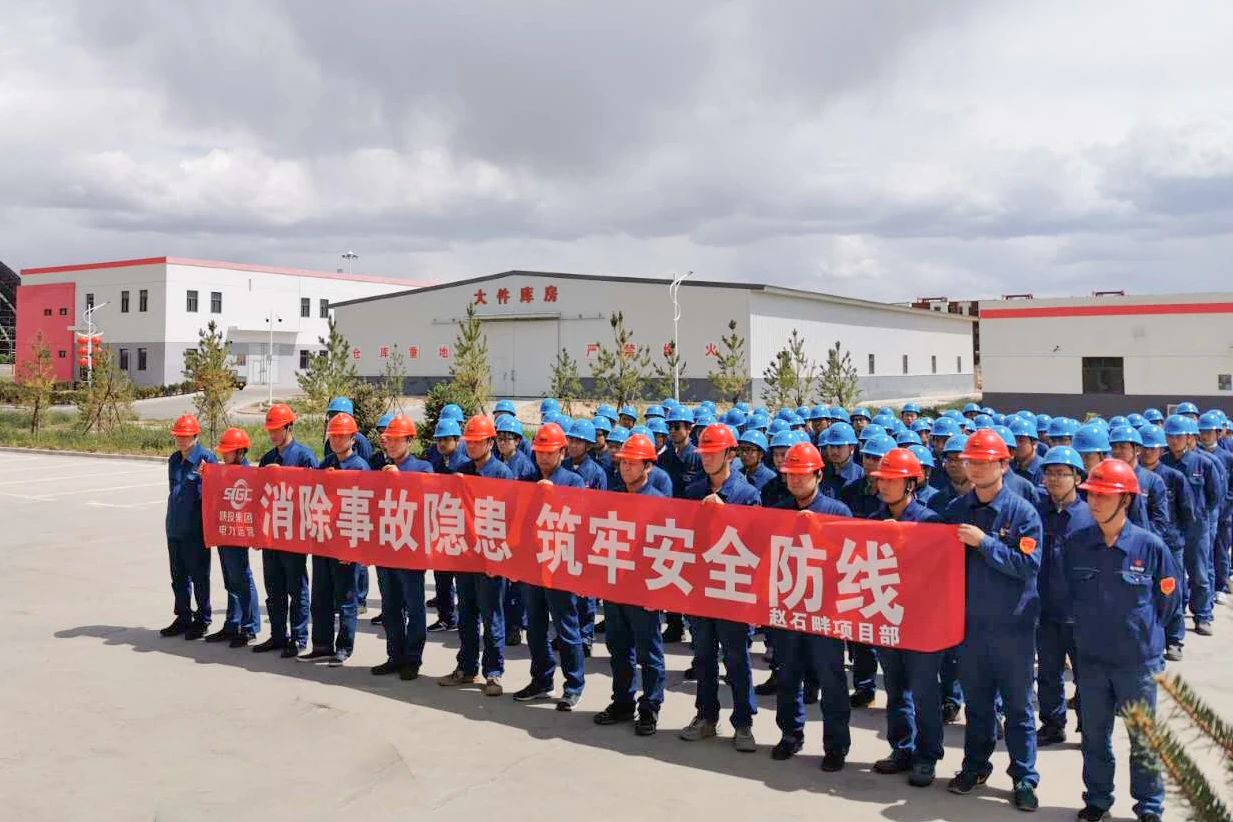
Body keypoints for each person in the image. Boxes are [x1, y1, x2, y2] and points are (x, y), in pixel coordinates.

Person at [1066, 459, 1179, 822]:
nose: (1095, 502)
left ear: (1126, 500)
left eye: (1104, 495)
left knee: (1142, 739)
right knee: (1094, 737)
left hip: (1137, 662)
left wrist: (1142, 635)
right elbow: (1069, 594)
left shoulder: (1150, 547)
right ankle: (1098, 800)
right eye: (1092, 494)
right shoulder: (1077, 544)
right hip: (1092, 661)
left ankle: (1149, 806)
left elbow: (1168, 602)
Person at [942, 429, 1043, 811]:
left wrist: (985, 543)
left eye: (986, 462)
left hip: (1013, 628)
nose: (978, 468)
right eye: (972, 462)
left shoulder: (1023, 512)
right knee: (978, 705)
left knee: (1018, 707)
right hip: (971, 626)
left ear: (1004, 465)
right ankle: (975, 766)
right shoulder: (957, 510)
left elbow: (1028, 565)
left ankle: (1024, 777)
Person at [767, 442, 853, 769]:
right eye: (791, 474)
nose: (795, 480)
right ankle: (790, 734)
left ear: (818, 475)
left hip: (825, 610)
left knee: (831, 678)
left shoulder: (837, 512)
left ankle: (836, 745)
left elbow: (849, 559)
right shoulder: (778, 511)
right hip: (789, 606)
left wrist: (818, 530)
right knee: (788, 674)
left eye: (802, 475)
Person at [679, 424, 761, 753]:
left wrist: (726, 515)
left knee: (737, 658)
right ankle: (706, 716)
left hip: (732, 587)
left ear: (730, 454)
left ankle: (743, 722)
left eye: (714, 453)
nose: (708, 458)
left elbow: (755, 541)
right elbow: (683, 537)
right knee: (703, 656)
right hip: (701, 586)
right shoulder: (692, 491)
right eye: (704, 453)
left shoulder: (747, 494)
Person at [867, 448, 945, 787]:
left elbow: (937, 572)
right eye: (881, 480)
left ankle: (927, 756)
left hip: (922, 622)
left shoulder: (930, 521)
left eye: (892, 480)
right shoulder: (874, 519)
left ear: (911, 484)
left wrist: (903, 538)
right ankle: (901, 748)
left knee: (924, 691)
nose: (884, 486)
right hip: (887, 615)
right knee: (895, 688)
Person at [593, 434, 667, 737]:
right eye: (623, 462)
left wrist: (658, 591)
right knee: (619, 648)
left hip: (644, 590)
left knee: (649, 652)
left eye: (632, 463)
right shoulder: (613, 497)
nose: (625, 468)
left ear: (648, 466)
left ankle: (650, 706)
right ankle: (622, 701)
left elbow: (666, 550)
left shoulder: (659, 503)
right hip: (615, 586)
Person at [511, 423, 588, 711]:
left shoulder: (573, 481)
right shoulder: (527, 480)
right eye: (539, 452)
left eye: (549, 452)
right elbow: (517, 519)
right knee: (535, 628)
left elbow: (579, 520)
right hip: (533, 565)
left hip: (559, 564)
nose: (543, 457)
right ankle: (541, 679)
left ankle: (574, 685)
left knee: (566, 628)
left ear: (562, 452)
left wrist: (552, 496)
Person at [439, 416, 512, 696]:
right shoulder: (461, 471)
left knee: (492, 618)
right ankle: (467, 667)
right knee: (467, 615)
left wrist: (499, 558)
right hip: (466, 556)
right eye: (468, 442)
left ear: (490, 443)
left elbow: (508, 518)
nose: (471, 447)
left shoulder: (501, 474)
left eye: (477, 442)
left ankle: (493, 673)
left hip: (490, 558)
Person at [1034, 446, 1094, 747]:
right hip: (1045, 609)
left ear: (1077, 478)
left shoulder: (1089, 516)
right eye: (1049, 473)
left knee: (1086, 675)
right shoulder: (1037, 513)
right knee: (1048, 673)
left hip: (1080, 613)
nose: (1054, 479)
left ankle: (1089, 726)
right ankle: (1052, 724)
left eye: (1062, 473)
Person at [300, 412, 370, 667]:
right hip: (323, 540)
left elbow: (366, 508)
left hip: (346, 543)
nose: (337, 440)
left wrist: (356, 548)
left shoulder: (360, 467)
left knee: (346, 598)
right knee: (320, 596)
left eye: (342, 436)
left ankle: (343, 647)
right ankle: (321, 645)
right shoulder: (325, 463)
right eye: (333, 436)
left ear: (353, 438)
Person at [370, 414, 432, 681]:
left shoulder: (423, 467)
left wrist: (400, 479)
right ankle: (394, 655)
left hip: (410, 549)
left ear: (410, 440)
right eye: (389, 439)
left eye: (397, 440)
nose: (392, 444)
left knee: (414, 607)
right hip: (386, 548)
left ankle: (412, 658)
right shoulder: (379, 467)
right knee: (391, 606)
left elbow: (427, 498)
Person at [253, 403, 317, 657]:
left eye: (277, 429)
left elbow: (315, 492)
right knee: (274, 589)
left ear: (289, 427)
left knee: (296, 588)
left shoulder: (304, 457)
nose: (273, 434)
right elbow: (259, 496)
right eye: (270, 430)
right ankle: (278, 635)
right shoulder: (267, 459)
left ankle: (299, 637)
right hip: (271, 534)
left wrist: (285, 475)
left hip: (294, 535)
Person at [1139, 423, 1195, 661]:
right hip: (1141, 546)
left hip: (1170, 544)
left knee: (1171, 590)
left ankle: (1174, 640)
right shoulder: (1134, 477)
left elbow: (1187, 512)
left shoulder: (1174, 477)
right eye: (1145, 448)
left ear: (1161, 449)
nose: (1148, 452)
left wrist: (1176, 537)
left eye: (1153, 448)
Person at [161, 414, 217, 641]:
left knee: (199, 576)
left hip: (195, 531)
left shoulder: (206, 458)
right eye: (178, 436)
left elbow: (213, 494)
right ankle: (183, 616)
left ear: (195, 436)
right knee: (178, 577)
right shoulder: (174, 459)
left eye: (185, 436)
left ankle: (202, 619)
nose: (181, 440)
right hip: (174, 527)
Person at [1161, 415, 1217, 636]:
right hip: (1172, 528)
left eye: (1178, 436)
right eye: (1170, 436)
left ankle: (1202, 615)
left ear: (1189, 438)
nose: (1174, 440)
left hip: (1197, 527)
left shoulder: (1203, 464)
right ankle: (1177, 614)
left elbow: (1214, 496)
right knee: (1173, 576)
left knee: (1199, 573)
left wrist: (1199, 515)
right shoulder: (1162, 463)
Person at [206, 428, 262, 648]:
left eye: (227, 451)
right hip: (224, 531)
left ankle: (249, 627)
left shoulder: (247, 474)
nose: (223, 455)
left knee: (242, 579)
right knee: (231, 581)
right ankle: (232, 623)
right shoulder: (224, 471)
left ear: (240, 452)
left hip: (239, 534)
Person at [427, 417, 467, 632]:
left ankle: (465, 619)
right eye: (439, 440)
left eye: (446, 439)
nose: (442, 443)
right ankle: (446, 617)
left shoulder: (465, 465)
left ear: (457, 440)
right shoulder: (436, 463)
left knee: (462, 580)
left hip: (460, 528)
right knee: (441, 577)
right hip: (441, 526)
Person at [1196, 411, 1233, 606]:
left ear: (1218, 433)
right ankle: (1207, 590)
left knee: (1220, 550)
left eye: (1208, 432)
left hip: (1224, 512)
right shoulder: (1195, 456)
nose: (1204, 436)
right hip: (1205, 513)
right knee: (1205, 553)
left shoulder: (1227, 457)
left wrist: (1226, 505)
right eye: (1202, 432)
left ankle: (1220, 586)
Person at [821, 422, 862, 499]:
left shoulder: (860, 475)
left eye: (839, 447)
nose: (834, 451)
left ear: (851, 448)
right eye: (831, 446)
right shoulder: (820, 474)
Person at [1010, 417, 1043, 486]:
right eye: (1013, 441)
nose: (1016, 445)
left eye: (1021, 441)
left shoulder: (1043, 469)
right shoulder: (1009, 466)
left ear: (1034, 444)